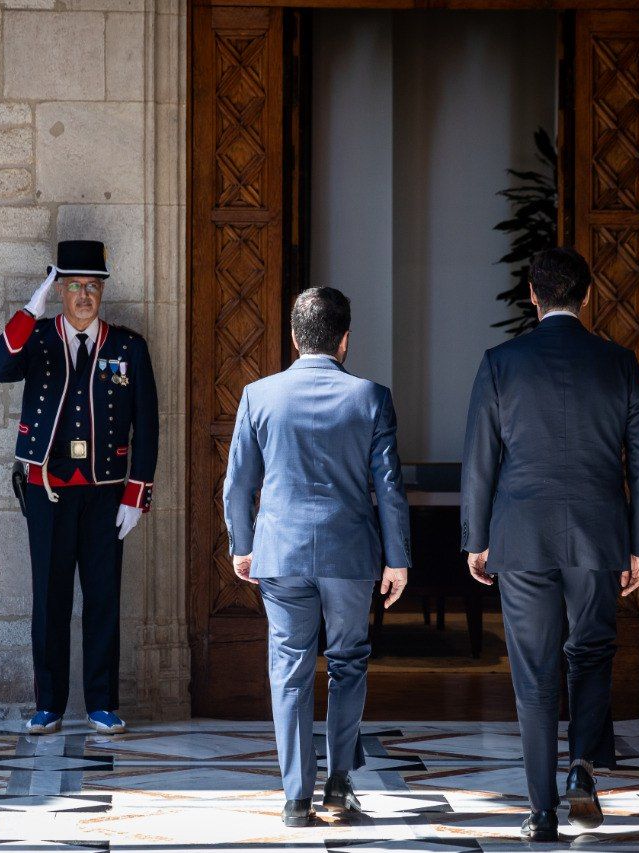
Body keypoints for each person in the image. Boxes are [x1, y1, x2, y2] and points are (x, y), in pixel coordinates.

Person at [461, 247, 639, 843]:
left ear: (531, 294)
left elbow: (480, 459)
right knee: (592, 653)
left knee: (535, 671)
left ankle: (542, 811)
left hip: (520, 536)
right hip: (601, 536)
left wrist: (476, 539)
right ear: (588, 296)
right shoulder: (620, 363)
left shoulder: (501, 362)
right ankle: (583, 768)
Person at [223, 287, 412, 828]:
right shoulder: (371, 397)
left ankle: (295, 798)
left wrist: (243, 546)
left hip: (280, 553)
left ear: (293, 337)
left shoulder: (259, 395)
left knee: (289, 669)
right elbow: (389, 487)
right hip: (351, 555)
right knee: (349, 663)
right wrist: (397, 558)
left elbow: (237, 484)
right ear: (345, 340)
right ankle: (338, 784)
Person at [0, 239, 158, 736]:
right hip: (47, 491)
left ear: (102, 290)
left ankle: (102, 702)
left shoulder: (128, 346)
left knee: (103, 598)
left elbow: (146, 426)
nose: (84, 294)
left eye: (93, 286)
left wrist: (136, 493)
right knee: (50, 600)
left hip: (106, 492)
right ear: (60, 289)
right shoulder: (36, 338)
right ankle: (50, 705)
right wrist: (29, 308)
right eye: (74, 285)